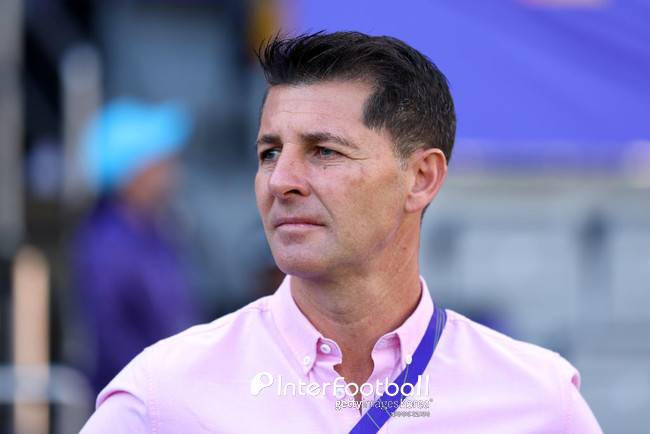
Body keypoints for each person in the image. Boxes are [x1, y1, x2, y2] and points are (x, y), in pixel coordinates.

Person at [80, 32, 602, 433]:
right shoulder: (163, 397)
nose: (281, 181)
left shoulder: (538, 400)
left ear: (422, 177)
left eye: (324, 151)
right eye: (269, 153)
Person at [72, 99, 198, 397]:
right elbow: (110, 339)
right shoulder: (108, 245)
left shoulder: (156, 231)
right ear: (132, 173)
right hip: (140, 401)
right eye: (161, 163)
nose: (172, 173)